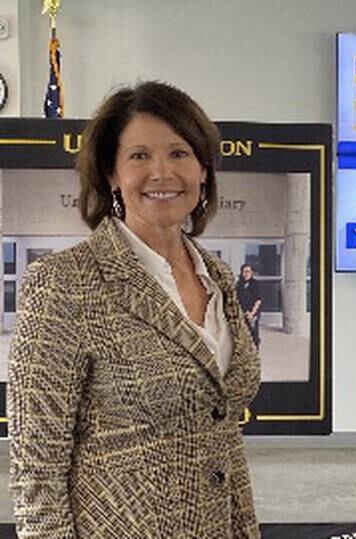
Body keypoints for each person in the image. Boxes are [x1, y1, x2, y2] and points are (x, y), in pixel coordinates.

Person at [8, 81, 261, 538]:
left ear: (203, 169)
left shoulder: (218, 277)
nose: (161, 172)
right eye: (140, 155)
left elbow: (222, 432)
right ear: (110, 172)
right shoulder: (65, 283)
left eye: (179, 153)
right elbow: (37, 465)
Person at [236, 263, 263, 349]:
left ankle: (255, 353)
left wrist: (252, 313)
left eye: (248, 271)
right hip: (242, 313)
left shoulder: (255, 284)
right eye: (244, 272)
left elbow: (258, 300)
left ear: (251, 273)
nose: (245, 274)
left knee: (253, 334)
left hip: (252, 314)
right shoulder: (239, 284)